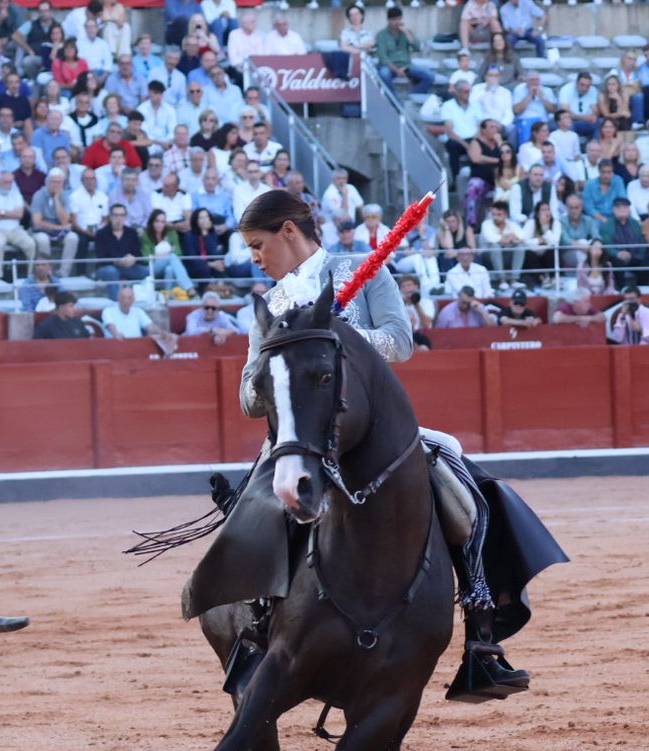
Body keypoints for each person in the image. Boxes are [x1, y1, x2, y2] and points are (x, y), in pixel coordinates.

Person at [183, 189, 556, 699]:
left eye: (256, 244)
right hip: (301, 443)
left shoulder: (363, 271)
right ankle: (251, 638)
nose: (253, 257)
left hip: (375, 437)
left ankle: (482, 640)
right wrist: (284, 360)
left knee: (463, 494)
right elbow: (250, 397)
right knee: (248, 520)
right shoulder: (270, 305)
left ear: (288, 232)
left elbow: (400, 341)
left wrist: (337, 341)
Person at [375, 8, 435, 97]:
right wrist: (397, 70)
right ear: (388, 20)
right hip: (389, 66)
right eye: (394, 20)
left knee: (430, 76)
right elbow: (383, 57)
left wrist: (406, 32)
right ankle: (395, 101)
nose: (397, 22)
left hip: (406, 66)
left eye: (399, 19)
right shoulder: (381, 35)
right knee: (384, 74)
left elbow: (417, 48)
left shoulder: (406, 32)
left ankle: (413, 96)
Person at [101, 285, 175, 350]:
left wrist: (162, 333)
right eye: (123, 297)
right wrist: (116, 334)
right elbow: (111, 327)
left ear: (133, 300)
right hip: (115, 347)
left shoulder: (138, 311)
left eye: (129, 298)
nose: (126, 300)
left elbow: (150, 326)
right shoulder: (108, 311)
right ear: (118, 298)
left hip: (137, 347)